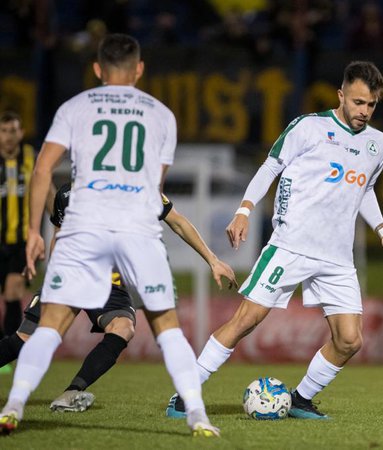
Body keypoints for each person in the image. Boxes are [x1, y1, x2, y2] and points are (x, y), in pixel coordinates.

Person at [0, 33, 219, 437]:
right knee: (167, 327)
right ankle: (198, 418)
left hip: (83, 227)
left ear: (97, 69)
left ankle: (13, 406)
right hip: (135, 227)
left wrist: (34, 230)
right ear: (139, 69)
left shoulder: (75, 107)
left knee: (50, 326)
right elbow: (155, 188)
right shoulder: (161, 115)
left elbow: (43, 169)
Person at [166, 60, 383, 420]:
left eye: (371, 105)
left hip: (337, 257)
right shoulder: (308, 127)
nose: (364, 112)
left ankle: (301, 399)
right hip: (291, 245)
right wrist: (244, 210)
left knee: (350, 340)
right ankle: (185, 394)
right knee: (247, 319)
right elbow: (271, 166)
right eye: (357, 102)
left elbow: (365, 189)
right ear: (341, 95)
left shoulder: (378, 144)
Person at [0, 183, 237, 412]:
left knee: (123, 327)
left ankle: (72, 392)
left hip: (111, 285)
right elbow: (59, 236)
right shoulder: (70, 194)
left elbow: (178, 223)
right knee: (25, 339)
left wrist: (213, 260)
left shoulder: (141, 190)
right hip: (73, 276)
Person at [0, 112, 34, 341]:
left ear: (21, 133)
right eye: (4, 131)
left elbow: (47, 191)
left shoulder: (32, 158)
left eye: (13, 130)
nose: (9, 136)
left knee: (13, 291)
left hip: (22, 240)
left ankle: (8, 350)